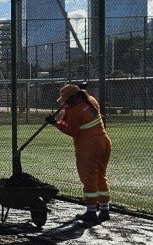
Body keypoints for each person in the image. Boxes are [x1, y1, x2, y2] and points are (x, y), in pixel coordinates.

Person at [46, 84, 112, 223]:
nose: (64, 102)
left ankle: (91, 211)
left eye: (66, 99)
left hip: (89, 146)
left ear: (73, 98)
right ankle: (104, 209)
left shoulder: (75, 111)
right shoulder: (91, 100)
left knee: (88, 178)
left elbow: (73, 131)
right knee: (101, 175)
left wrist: (56, 124)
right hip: (104, 142)